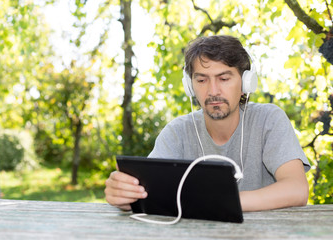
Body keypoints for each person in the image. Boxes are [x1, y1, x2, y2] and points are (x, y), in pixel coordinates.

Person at [105, 35, 310, 212]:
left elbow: (297, 189)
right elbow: (147, 191)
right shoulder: (177, 132)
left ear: (246, 83)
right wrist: (125, 193)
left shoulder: (269, 120)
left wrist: (221, 201)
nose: (213, 91)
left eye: (223, 78)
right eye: (202, 80)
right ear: (190, 86)